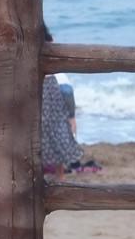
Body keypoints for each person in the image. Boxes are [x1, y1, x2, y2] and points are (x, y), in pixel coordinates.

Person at [40, 25, 99, 173]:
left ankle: (67, 164)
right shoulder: (51, 42)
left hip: (49, 88)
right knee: (66, 125)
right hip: (61, 86)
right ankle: (71, 162)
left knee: (48, 129)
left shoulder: (31, 45)